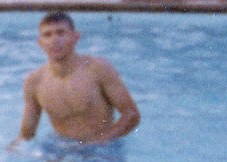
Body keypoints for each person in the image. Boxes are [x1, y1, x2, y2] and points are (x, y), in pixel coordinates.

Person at [13, 11, 140, 147]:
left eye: (61, 33)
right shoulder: (34, 81)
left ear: (76, 37)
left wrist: (99, 141)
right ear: (40, 43)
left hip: (103, 147)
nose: (54, 40)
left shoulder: (97, 69)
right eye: (47, 35)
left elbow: (131, 114)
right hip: (60, 147)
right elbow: (27, 134)